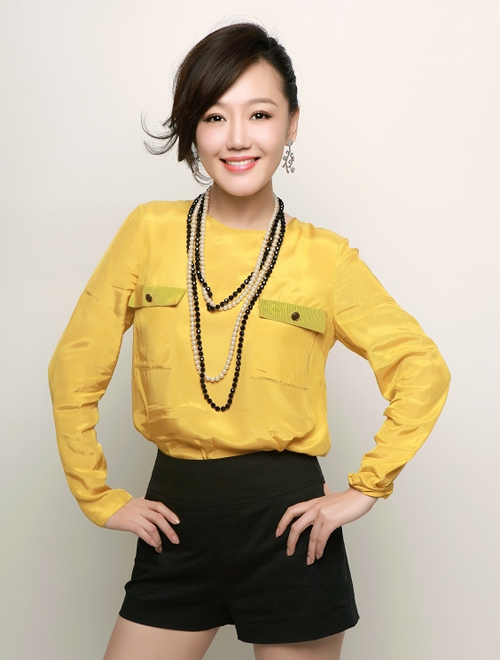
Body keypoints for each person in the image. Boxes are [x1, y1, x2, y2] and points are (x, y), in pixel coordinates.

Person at [48, 21, 451, 660]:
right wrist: (96, 496)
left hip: (290, 529)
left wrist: (366, 488)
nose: (237, 137)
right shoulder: (148, 232)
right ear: (193, 129)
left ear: (291, 125)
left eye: (259, 114)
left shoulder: (326, 258)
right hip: (175, 523)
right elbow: (76, 363)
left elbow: (420, 366)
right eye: (215, 116)